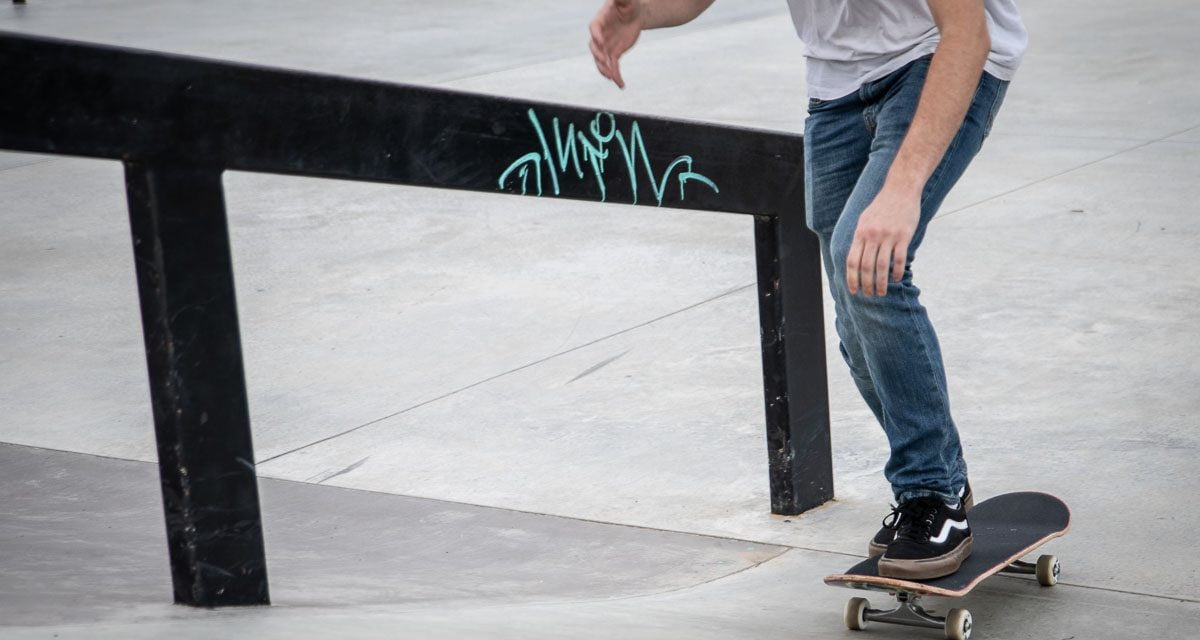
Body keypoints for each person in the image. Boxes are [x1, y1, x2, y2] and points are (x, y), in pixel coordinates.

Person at [589, 0, 1026, 580]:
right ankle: (939, 476)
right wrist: (642, 10)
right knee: (853, 304)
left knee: (868, 265)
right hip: (836, 89)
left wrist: (902, 188)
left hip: (939, 62)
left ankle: (933, 494)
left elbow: (968, 34)